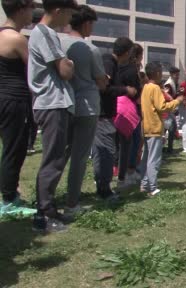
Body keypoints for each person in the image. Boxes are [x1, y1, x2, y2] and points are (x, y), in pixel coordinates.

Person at [28, 0, 77, 232]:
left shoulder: (46, 33)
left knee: (56, 158)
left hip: (55, 104)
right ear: (58, 11)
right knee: (52, 160)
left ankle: (48, 208)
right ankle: (44, 214)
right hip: (52, 104)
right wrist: (70, 63)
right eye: (68, 14)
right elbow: (65, 71)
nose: (70, 19)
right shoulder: (45, 33)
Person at [60, 4, 106, 216]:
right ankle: (72, 203)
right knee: (79, 156)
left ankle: (47, 200)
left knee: (57, 154)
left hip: (62, 104)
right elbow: (101, 81)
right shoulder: (90, 49)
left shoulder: (58, 42)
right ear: (87, 23)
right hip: (86, 106)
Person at [0, 0, 37, 217]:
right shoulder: (16, 38)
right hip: (14, 100)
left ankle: (9, 195)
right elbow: (33, 72)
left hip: (4, 97)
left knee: (9, 149)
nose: (33, 12)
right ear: (21, 9)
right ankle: (9, 200)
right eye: (31, 7)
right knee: (14, 150)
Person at [93, 37, 137, 202]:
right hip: (103, 115)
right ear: (126, 52)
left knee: (104, 151)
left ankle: (103, 186)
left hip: (105, 114)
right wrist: (126, 89)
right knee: (107, 152)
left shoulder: (111, 63)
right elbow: (105, 88)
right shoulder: (109, 63)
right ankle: (104, 189)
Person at [139, 62, 183, 196]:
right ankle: (152, 187)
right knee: (154, 159)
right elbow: (162, 107)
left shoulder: (145, 87)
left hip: (146, 127)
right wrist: (178, 101)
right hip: (155, 127)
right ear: (157, 73)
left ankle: (145, 184)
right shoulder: (155, 88)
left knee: (146, 157)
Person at [116, 43, 142, 189]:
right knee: (131, 142)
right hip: (130, 110)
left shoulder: (120, 68)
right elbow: (136, 93)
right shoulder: (132, 71)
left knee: (124, 144)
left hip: (119, 109)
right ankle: (127, 174)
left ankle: (125, 172)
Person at [163, 66, 180, 154]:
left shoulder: (174, 83)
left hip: (171, 109)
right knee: (168, 128)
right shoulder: (168, 84)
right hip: (167, 110)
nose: (177, 76)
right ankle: (168, 149)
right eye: (176, 74)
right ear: (171, 74)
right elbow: (166, 97)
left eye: (178, 74)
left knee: (171, 129)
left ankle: (169, 148)